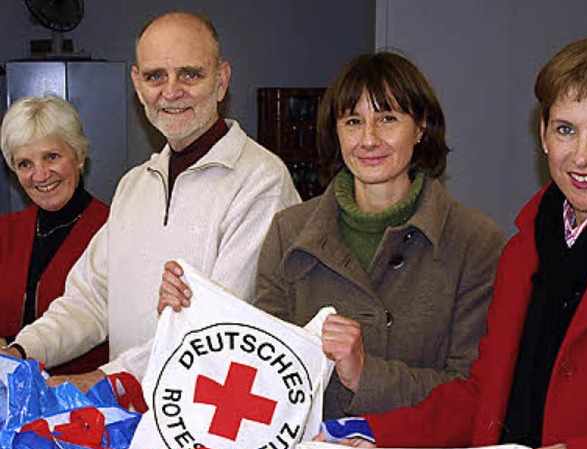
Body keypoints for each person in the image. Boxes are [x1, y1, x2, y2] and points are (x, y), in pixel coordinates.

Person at [325, 33, 587, 449]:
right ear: (542, 135)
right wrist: (378, 437)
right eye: (566, 130)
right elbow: (483, 397)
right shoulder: (525, 249)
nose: (582, 156)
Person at [159, 51, 504, 420]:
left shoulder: (476, 243)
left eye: (388, 118)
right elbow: (259, 369)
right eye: (353, 121)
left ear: (421, 126)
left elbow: (473, 394)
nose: (369, 140)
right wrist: (189, 317)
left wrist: (365, 374)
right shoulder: (288, 232)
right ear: (336, 132)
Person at [2, 11, 299, 391]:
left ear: (221, 81)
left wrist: (102, 382)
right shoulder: (134, 186)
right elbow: (90, 300)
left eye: (190, 74)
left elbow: (215, 331)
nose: (171, 92)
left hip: (203, 416)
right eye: (155, 76)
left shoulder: (260, 183)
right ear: (137, 86)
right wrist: (21, 351)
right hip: (129, 415)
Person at [0, 95, 109, 374]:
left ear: (79, 156)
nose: (40, 175)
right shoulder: (5, 231)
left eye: (52, 156)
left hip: (85, 400)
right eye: (25, 163)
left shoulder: (113, 229)